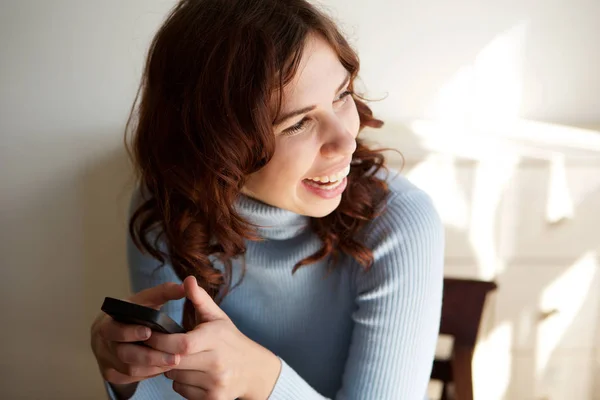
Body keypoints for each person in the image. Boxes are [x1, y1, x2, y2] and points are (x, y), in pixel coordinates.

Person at [89, 0, 444, 398]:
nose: (347, 140)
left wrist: (262, 379)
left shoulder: (400, 222)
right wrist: (129, 378)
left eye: (341, 95)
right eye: (298, 122)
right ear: (216, 145)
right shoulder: (170, 202)